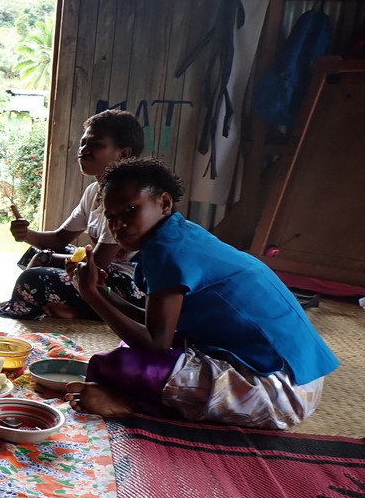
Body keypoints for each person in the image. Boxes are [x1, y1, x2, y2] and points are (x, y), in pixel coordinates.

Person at [68, 157, 339, 429]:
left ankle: (136, 406)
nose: (120, 225)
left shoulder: (165, 251)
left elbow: (154, 342)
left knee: (119, 365)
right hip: (302, 378)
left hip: (280, 393)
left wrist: (91, 295)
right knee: (133, 347)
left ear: (164, 203)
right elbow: (155, 325)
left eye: (130, 209)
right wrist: (102, 293)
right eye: (111, 218)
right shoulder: (179, 235)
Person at [0, 109, 146, 321]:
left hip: (127, 289)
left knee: (32, 277)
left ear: (123, 154)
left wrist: (47, 259)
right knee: (33, 254)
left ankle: (88, 312)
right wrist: (25, 234)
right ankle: (79, 310)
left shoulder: (128, 198)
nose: (84, 150)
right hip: (103, 274)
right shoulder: (94, 191)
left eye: (96, 145)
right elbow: (58, 239)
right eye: (83, 143)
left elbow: (98, 263)